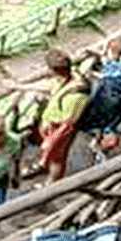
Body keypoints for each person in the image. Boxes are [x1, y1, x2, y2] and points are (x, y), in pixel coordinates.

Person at [37, 49, 93, 182]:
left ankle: (51, 184)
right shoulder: (67, 77)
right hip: (52, 125)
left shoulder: (76, 95)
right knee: (51, 154)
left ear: (55, 70)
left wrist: (51, 141)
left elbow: (67, 125)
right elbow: (53, 87)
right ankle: (44, 164)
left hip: (60, 131)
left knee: (58, 158)